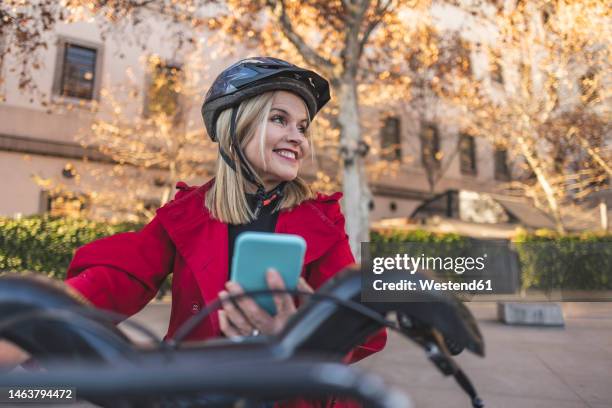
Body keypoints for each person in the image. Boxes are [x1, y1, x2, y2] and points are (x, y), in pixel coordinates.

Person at [6, 57, 387, 407]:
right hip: (197, 394)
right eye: (279, 119)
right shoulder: (185, 213)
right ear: (235, 127)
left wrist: (306, 329)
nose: (298, 137)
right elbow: (117, 278)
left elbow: (365, 326)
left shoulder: (322, 219)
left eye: (303, 127)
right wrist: (35, 325)